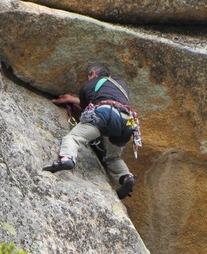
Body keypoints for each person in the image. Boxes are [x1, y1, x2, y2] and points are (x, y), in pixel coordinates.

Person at [43, 63, 140, 200]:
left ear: (93, 74)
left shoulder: (89, 85)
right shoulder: (121, 84)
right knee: (113, 157)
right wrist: (72, 98)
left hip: (106, 114)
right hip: (129, 121)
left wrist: (70, 99)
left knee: (74, 138)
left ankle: (67, 159)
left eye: (88, 76)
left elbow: (87, 108)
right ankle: (126, 177)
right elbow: (109, 98)